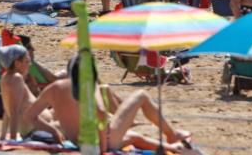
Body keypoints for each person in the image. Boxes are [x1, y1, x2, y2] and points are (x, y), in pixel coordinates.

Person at [24, 55, 191, 153]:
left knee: (135, 138)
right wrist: (104, 148)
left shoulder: (54, 88)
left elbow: (30, 116)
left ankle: (173, 146)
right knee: (141, 96)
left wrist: (53, 131)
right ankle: (172, 134)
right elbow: (101, 113)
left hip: (76, 142)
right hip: (99, 142)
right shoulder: (89, 86)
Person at [0, 45, 52, 140]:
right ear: (17, 64)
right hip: (37, 129)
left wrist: (3, 136)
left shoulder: (5, 78)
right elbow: (14, 112)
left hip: (34, 128)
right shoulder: (16, 78)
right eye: (27, 61)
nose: (29, 64)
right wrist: (13, 140)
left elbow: (7, 110)